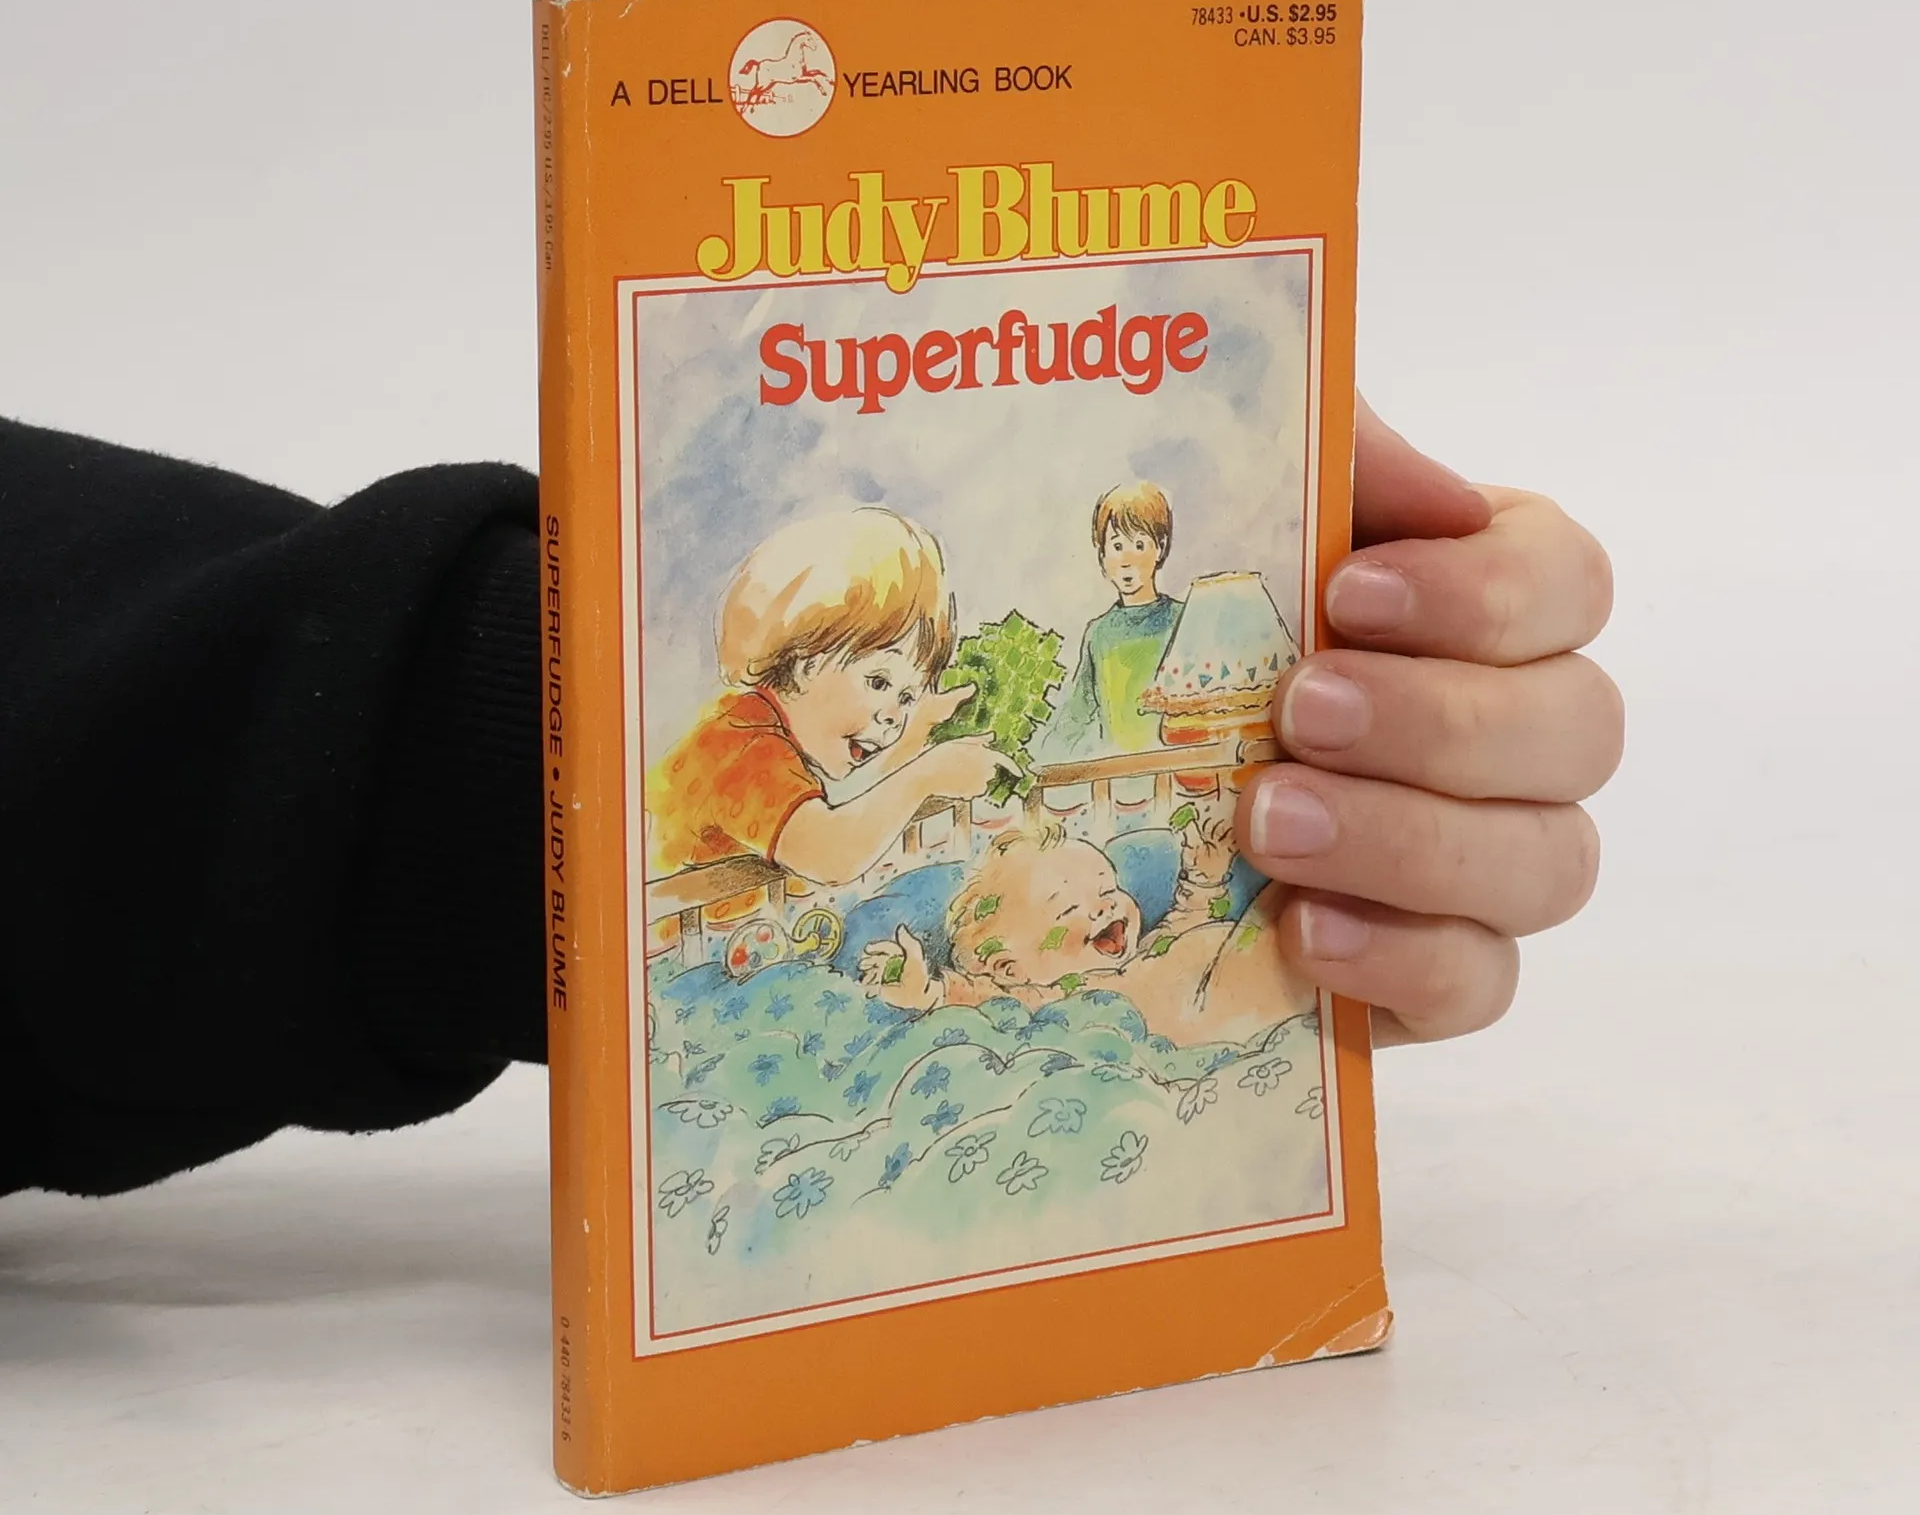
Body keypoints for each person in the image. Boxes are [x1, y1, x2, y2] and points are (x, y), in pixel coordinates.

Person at [0, 397, 1621, 1197]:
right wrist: (940, 774)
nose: (899, 716)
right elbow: (834, 848)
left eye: (916, 688)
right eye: (885, 687)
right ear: (797, 667)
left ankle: (1180, 945)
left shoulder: (802, 750)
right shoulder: (739, 757)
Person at [646, 506, 1010, 888]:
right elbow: (830, 854)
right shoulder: (742, 747)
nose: (893, 716)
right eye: (878, 682)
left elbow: (858, 804)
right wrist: (926, 775)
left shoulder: (769, 733)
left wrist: (918, 737)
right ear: (807, 660)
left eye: (907, 697)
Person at [858, 807, 1316, 1050]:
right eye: (1069, 909)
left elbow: (1188, 920)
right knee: (1294, 914)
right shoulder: (1060, 998)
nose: (1106, 906)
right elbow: (987, 1000)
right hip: (1209, 1013)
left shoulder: (1148, 951)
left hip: (1226, 969)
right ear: (1011, 968)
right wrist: (929, 992)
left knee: (1291, 901)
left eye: (1108, 888)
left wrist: (1204, 878)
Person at [1034, 481, 1184, 761]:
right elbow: (1077, 713)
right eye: (1116, 546)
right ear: (1102, 555)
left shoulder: (1182, 620)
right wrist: (1036, 761)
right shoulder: (1099, 633)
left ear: (1160, 548)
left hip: (1174, 770)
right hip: (1114, 776)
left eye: (1139, 545)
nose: (1126, 560)